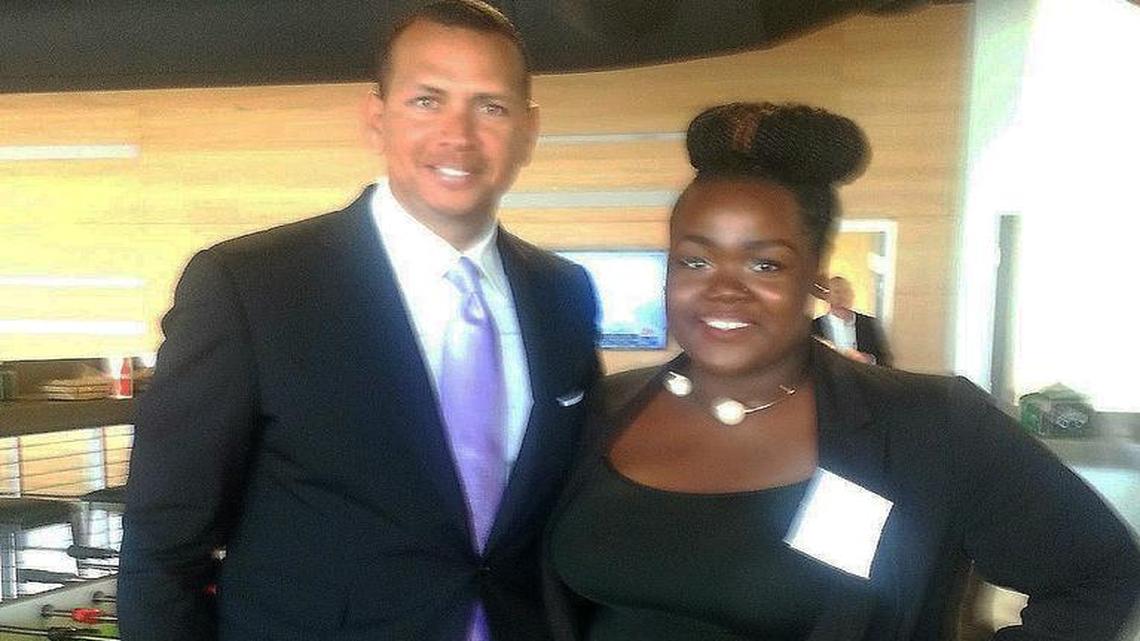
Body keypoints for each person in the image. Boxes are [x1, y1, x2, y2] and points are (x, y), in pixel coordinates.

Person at [544, 102, 1140, 640]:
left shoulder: (929, 425)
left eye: (765, 264)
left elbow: (1099, 573)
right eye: (694, 259)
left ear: (816, 274)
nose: (723, 290)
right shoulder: (606, 409)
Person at [119, 2, 600, 640]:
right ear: (376, 118)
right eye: (428, 100)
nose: (458, 134)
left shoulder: (562, 294)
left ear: (528, 131)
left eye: (491, 106)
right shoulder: (250, 287)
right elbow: (163, 544)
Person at [812, 275, 893, 367]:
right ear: (827, 296)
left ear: (852, 295)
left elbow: (885, 361)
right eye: (837, 292)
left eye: (846, 291)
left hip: (863, 379)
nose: (842, 296)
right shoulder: (814, 327)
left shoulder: (869, 324)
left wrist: (869, 360)